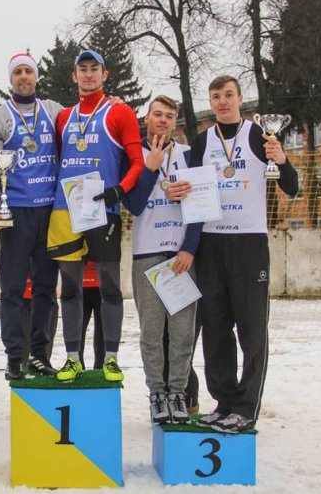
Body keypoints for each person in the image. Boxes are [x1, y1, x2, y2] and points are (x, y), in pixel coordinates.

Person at [185, 75, 298, 433]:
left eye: (228, 95)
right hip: (211, 244)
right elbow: (191, 191)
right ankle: (224, 402)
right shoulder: (202, 142)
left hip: (249, 244)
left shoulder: (259, 135)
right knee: (215, 329)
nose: (222, 102)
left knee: (251, 331)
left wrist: (282, 160)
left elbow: (292, 187)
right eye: (215, 96)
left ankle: (247, 408)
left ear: (240, 98)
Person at [47, 49, 144, 382]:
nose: (88, 74)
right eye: (82, 69)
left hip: (104, 209)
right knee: (70, 289)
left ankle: (111, 358)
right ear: (74, 76)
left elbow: (138, 162)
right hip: (66, 211)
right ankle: (72, 358)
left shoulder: (120, 112)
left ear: (105, 75)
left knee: (110, 287)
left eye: (94, 69)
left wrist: (120, 189)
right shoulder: (63, 117)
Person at [0, 53, 62, 380]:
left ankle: (41, 354)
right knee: (12, 289)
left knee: (46, 288)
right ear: (11, 79)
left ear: (36, 77)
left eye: (29, 71)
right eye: (18, 72)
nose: (24, 77)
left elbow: (83, 122)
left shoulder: (55, 112)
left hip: (50, 212)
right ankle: (15, 355)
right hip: (13, 213)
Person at [123, 95, 202, 424]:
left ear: (175, 123)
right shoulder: (134, 156)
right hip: (147, 254)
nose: (163, 120)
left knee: (183, 333)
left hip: (181, 256)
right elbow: (135, 205)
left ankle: (178, 394)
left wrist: (190, 248)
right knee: (152, 334)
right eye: (158, 114)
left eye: (170, 116)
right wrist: (151, 170)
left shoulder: (187, 155)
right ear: (146, 118)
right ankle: (157, 394)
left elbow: (201, 205)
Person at [79, 259, 104, 369]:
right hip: (80, 285)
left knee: (102, 330)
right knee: (78, 329)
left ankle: (100, 366)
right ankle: (77, 364)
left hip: (101, 284)